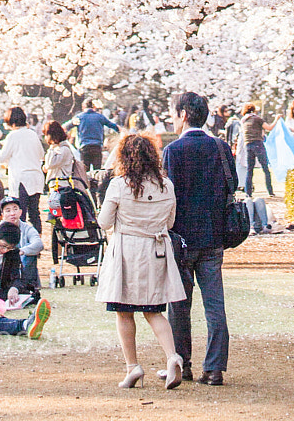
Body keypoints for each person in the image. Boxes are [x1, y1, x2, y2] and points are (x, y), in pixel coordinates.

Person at [95, 131, 185, 390]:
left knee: (123, 311)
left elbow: (104, 222)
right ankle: (172, 356)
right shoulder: (166, 185)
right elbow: (169, 222)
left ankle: (132, 366)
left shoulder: (119, 185)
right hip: (156, 251)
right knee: (153, 310)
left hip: (126, 252)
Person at [163, 90, 236, 387]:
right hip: (214, 235)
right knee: (214, 303)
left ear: (182, 115)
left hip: (181, 239)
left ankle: (183, 363)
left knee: (179, 304)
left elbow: (168, 196)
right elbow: (232, 185)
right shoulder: (220, 147)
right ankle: (215, 368)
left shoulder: (174, 151)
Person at [0, 108, 45, 232]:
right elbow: (41, 154)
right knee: (35, 213)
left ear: (12, 123)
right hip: (35, 177)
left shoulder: (12, 136)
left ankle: (22, 241)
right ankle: (37, 241)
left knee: (20, 214)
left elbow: (2, 157)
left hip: (21, 179)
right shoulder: (32, 134)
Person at [0, 197, 44, 297]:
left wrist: (21, 251)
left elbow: (39, 244)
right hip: (4, 267)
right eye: (8, 211)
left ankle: (27, 285)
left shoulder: (27, 228)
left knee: (29, 250)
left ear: (21, 212)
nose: (12, 213)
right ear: (2, 215)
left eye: (15, 209)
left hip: (22, 264)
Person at [73, 100, 119, 200]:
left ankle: (88, 196)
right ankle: (98, 194)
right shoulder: (99, 117)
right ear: (93, 106)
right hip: (97, 147)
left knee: (86, 173)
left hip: (84, 147)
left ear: (83, 107)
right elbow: (113, 125)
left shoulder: (79, 117)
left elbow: (67, 126)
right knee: (97, 172)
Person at [236, 102, 274, 198]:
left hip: (248, 145)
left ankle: (248, 192)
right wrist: (276, 119)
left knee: (250, 169)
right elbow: (269, 128)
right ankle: (270, 191)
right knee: (265, 168)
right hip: (258, 144)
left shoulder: (243, 121)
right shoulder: (257, 119)